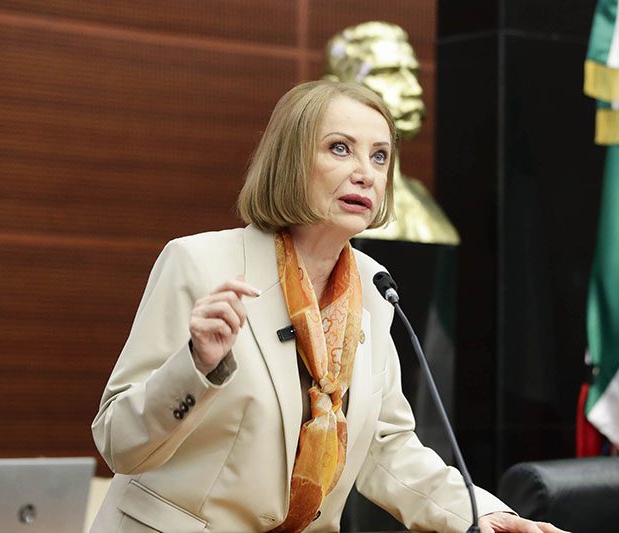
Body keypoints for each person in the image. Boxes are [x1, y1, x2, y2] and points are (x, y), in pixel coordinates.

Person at [90, 80, 566, 533]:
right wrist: (196, 365)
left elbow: (387, 446)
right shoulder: (199, 263)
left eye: (379, 156)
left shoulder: (372, 287)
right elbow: (118, 442)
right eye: (340, 148)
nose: (366, 173)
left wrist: (480, 514)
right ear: (290, 161)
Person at [326, 21, 460, 246]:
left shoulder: (420, 197)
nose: (414, 89)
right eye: (388, 73)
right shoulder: (328, 198)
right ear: (334, 87)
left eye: (412, 73)